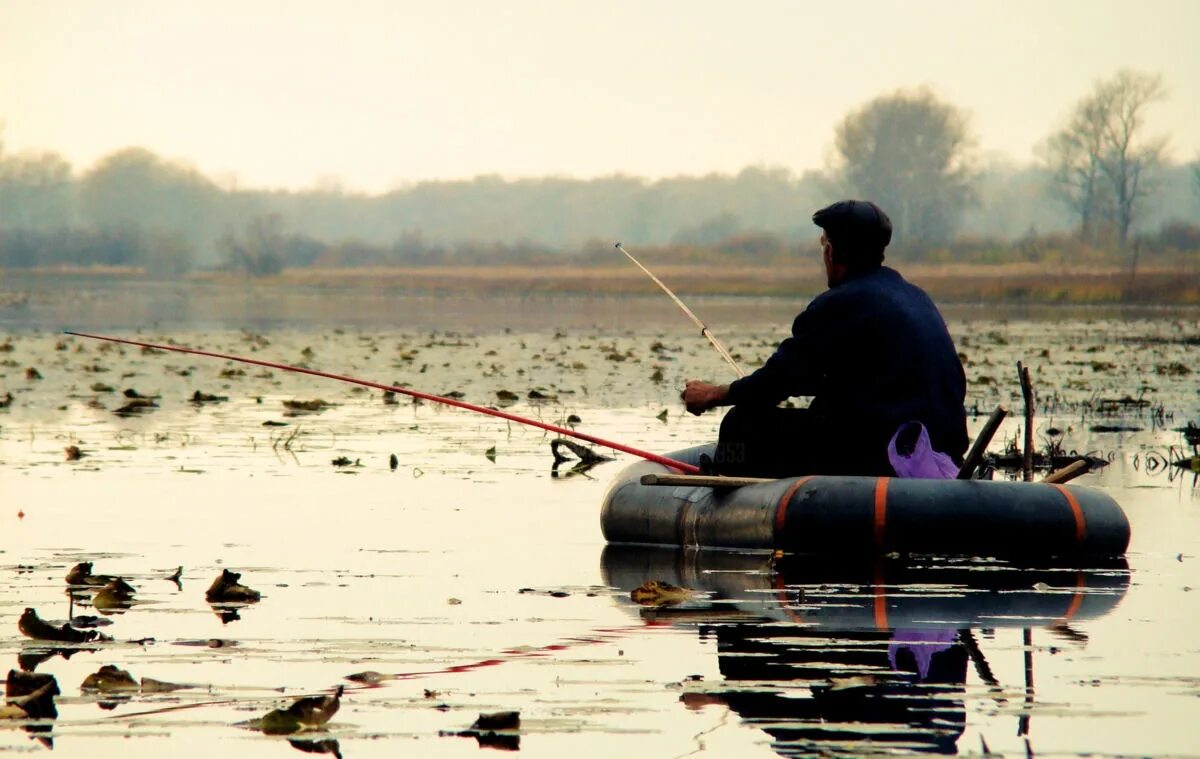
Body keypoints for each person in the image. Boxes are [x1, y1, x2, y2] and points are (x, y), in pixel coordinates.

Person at [681, 200, 967, 478]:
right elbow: (817, 378)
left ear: (830, 251)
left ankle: (723, 489)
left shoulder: (841, 303)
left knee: (741, 426)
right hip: (942, 449)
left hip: (880, 455)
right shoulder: (917, 297)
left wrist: (712, 394)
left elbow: (779, 380)